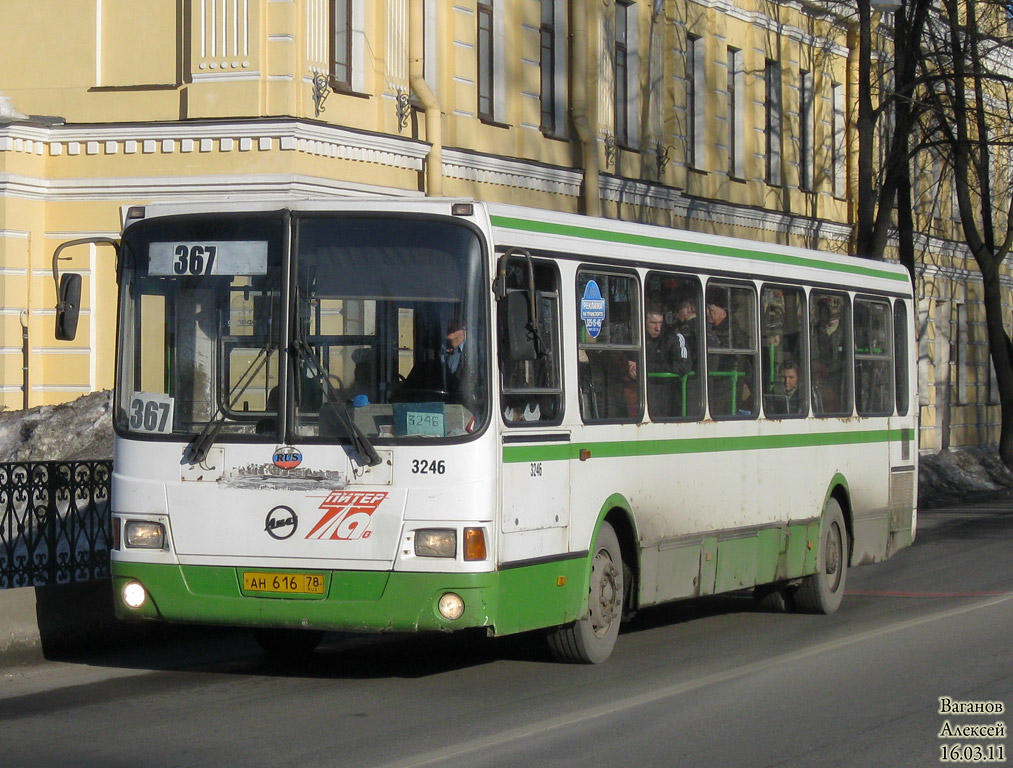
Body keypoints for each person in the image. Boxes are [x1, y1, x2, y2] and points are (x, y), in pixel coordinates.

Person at [645, 303, 691, 417]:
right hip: (641, 397)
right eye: (653, 323)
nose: (657, 328)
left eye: (660, 323)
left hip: (668, 398)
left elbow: (683, 366)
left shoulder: (675, 337)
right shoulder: (633, 336)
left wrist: (644, 368)